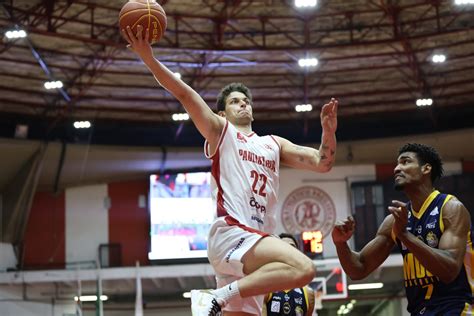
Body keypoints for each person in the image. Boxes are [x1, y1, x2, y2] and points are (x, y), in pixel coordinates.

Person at [122, 25, 338, 316]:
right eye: (235, 101)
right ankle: (219, 294)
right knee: (303, 268)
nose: (243, 104)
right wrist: (148, 58)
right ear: (222, 113)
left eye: (246, 100)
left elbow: (322, 163)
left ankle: (218, 297)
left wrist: (328, 131)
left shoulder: (273, 143)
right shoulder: (221, 132)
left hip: (254, 245)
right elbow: (184, 94)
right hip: (232, 233)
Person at [332, 143, 473, 316]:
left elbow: (449, 270)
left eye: (405, 162)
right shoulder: (394, 221)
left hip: (457, 307)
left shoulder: (450, 208)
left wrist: (405, 236)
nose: (397, 168)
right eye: (397, 164)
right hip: (419, 311)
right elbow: (359, 268)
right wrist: (340, 244)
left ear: (426, 168)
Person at [262, 233, 316, 316]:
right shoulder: (264, 289)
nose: (288, 250)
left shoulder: (308, 294)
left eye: (292, 247)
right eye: (283, 247)